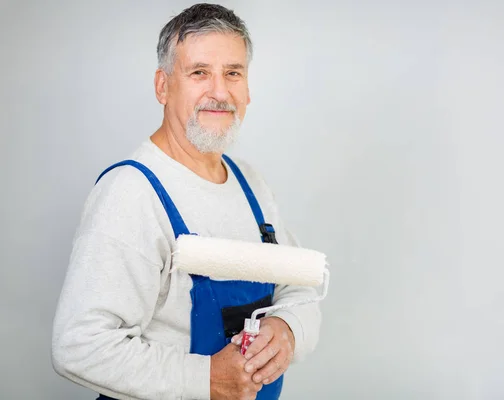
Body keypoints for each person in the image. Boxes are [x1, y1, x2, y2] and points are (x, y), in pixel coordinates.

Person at [51, 3, 321, 400]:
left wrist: (289, 329)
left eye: (233, 73)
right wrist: (205, 378)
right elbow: (79, 345)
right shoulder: (133, 193)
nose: (219, 91)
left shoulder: (251, 184)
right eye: (199, 73)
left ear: (247, 88)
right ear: (163, 85)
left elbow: (301, 289)